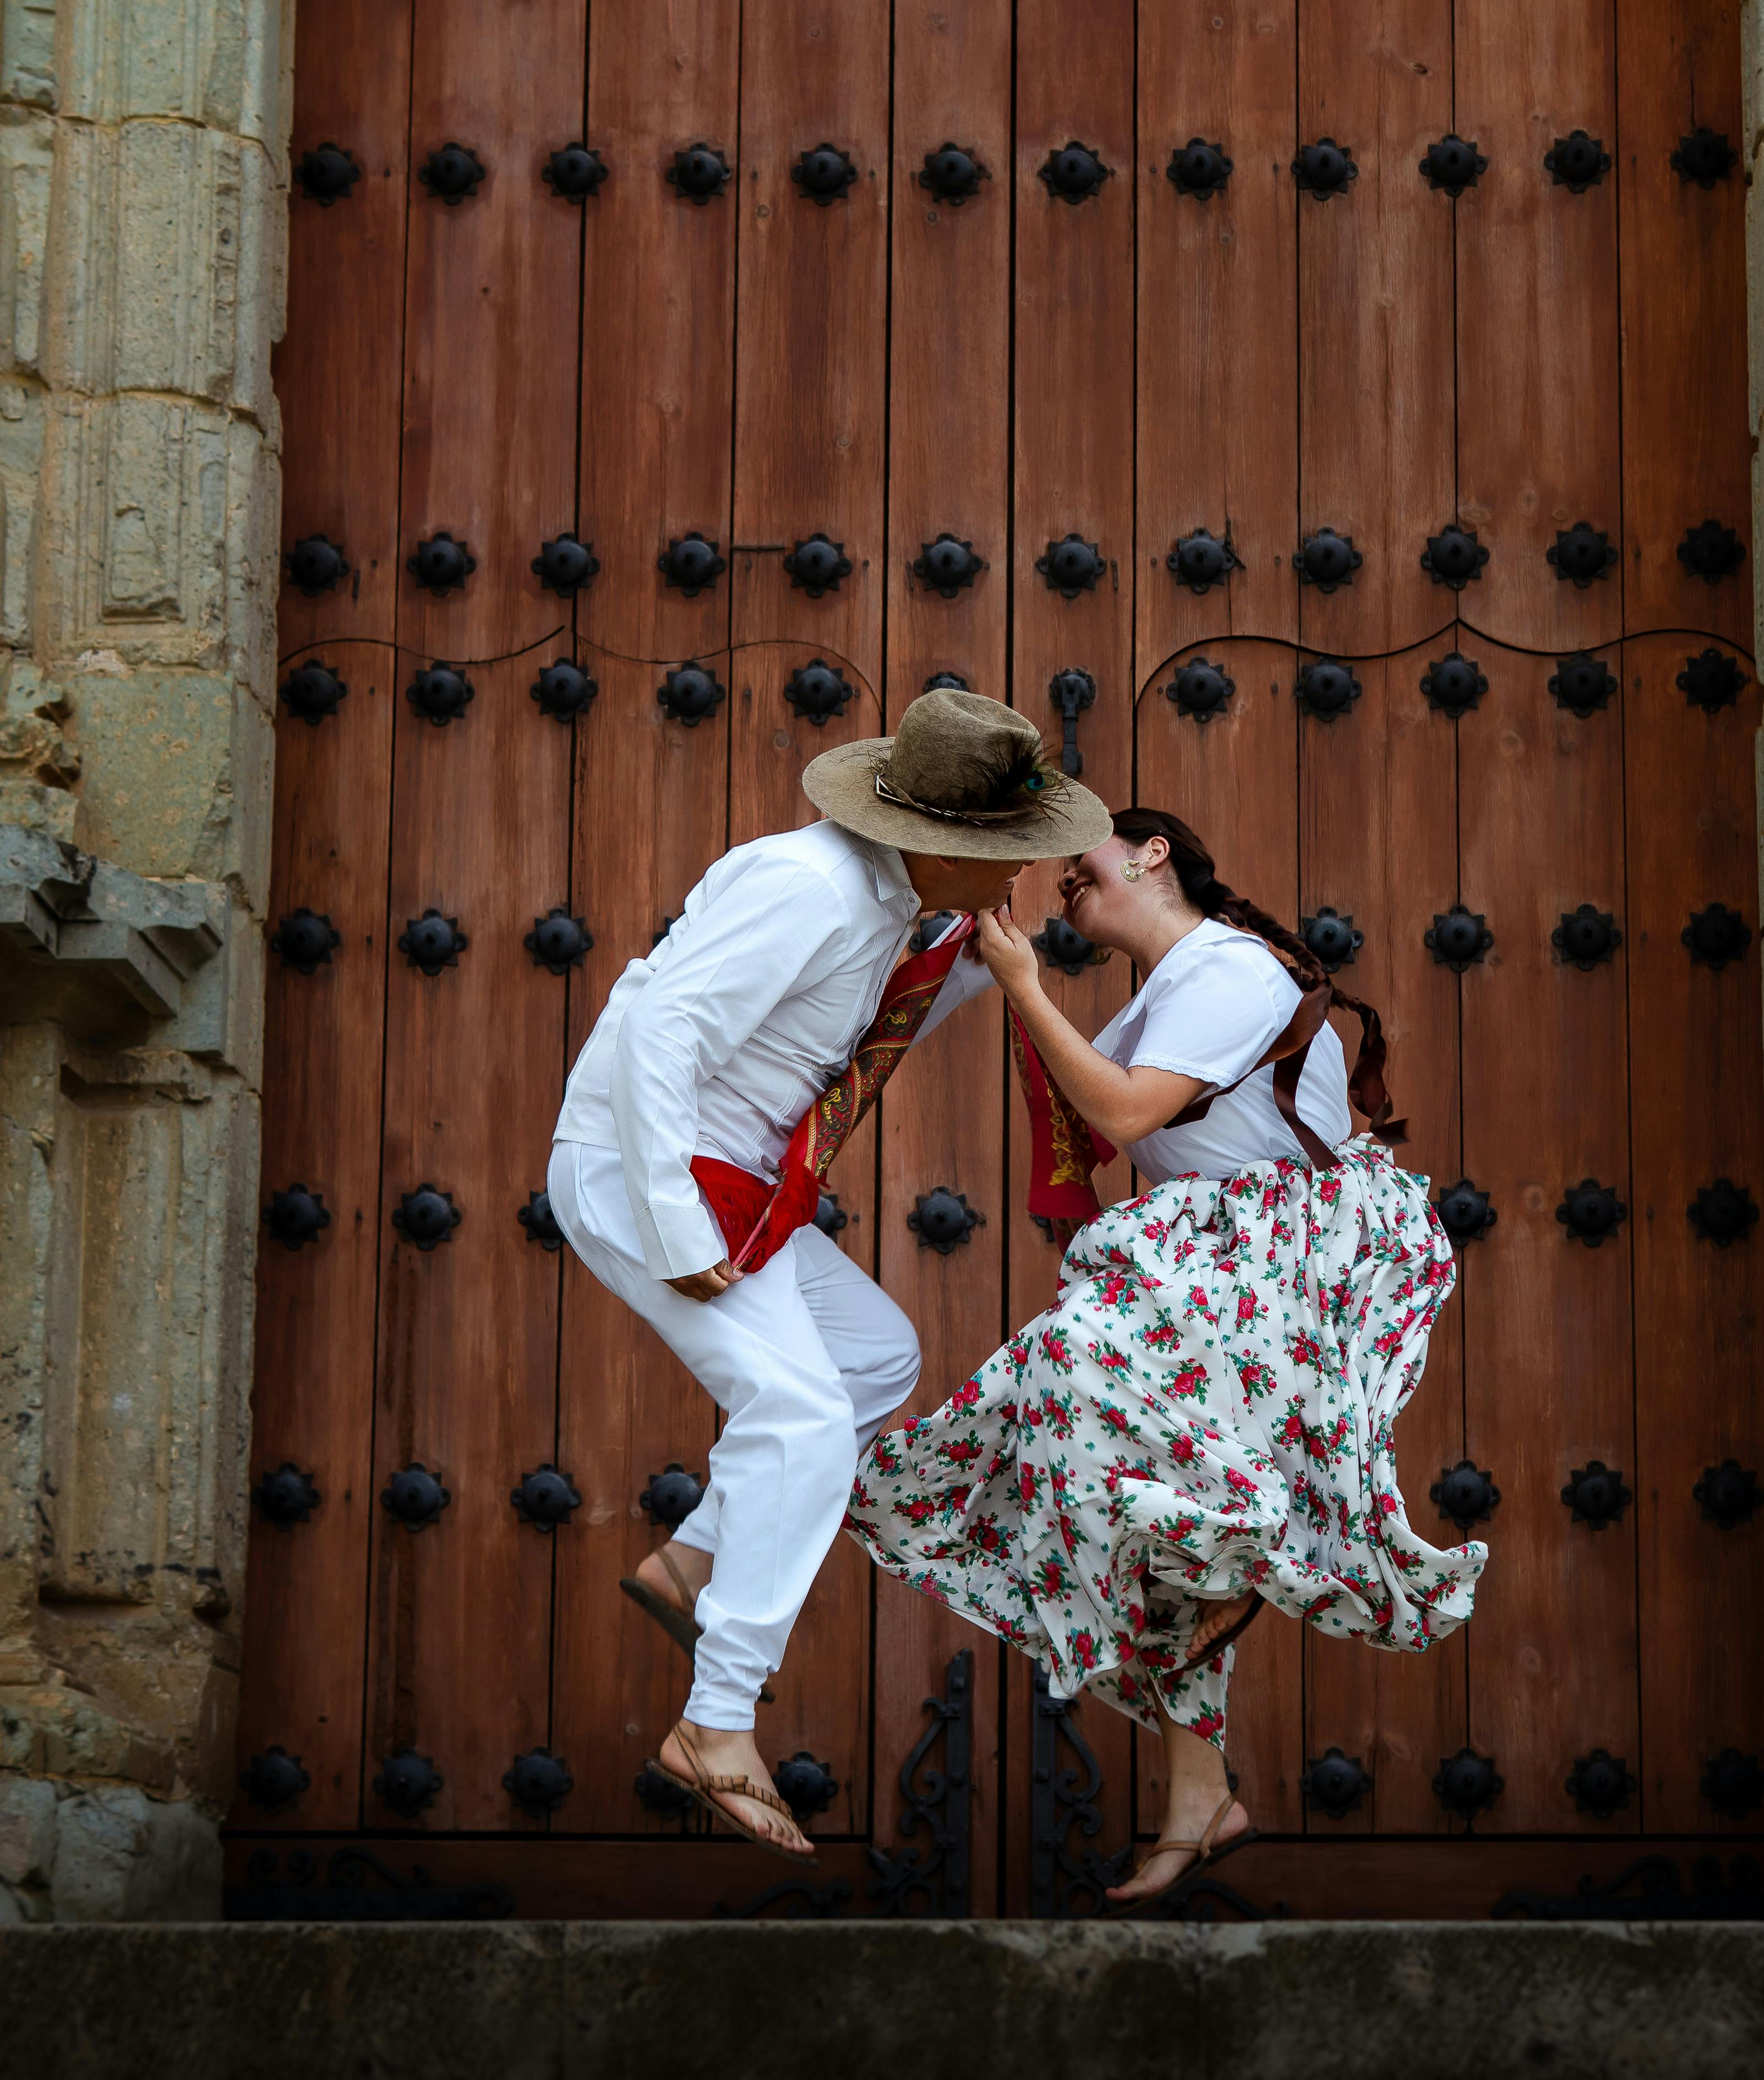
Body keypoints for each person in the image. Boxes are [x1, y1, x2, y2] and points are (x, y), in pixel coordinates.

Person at [849, 807, 1487, 1906]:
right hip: (1211, 1251)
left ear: (1152, 854)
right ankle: (1202, 1793)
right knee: (1147, 1511)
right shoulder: (1166, 991)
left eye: (1082, 860)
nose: (1063, 885)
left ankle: (1249, 1546)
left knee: (1069, 1378)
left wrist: (1024, 985)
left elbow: (1128, 1108)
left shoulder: (1229, 967)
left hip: (1277, 1256)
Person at [547, 687, 1111, 1853]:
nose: (1015, 873)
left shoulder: (899, 910)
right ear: (931, 843)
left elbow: (857, 1024)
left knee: (869, 1356)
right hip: (650, 1172)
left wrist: (987, 970)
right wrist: (677, 1227)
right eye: (1000, 854)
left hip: (741, 1182)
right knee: (799, 1410)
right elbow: (662, 1034)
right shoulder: (803, 888)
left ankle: (697, 1558)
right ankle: (714, 1723)